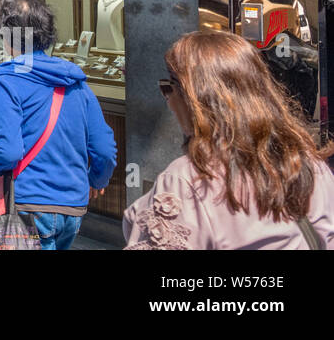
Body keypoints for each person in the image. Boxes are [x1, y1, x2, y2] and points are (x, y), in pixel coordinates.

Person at [125, 31, 334, 249]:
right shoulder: (312, 166)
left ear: (194, 98)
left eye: (167, 88)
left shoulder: (186, 181)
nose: (167, 101)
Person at [0, 0, 117, 250]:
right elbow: (104, 150)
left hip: (26, 205)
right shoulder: (77, 83)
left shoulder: (4, 82)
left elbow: (7, 152)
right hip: (73, 208)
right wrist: (96, 180)